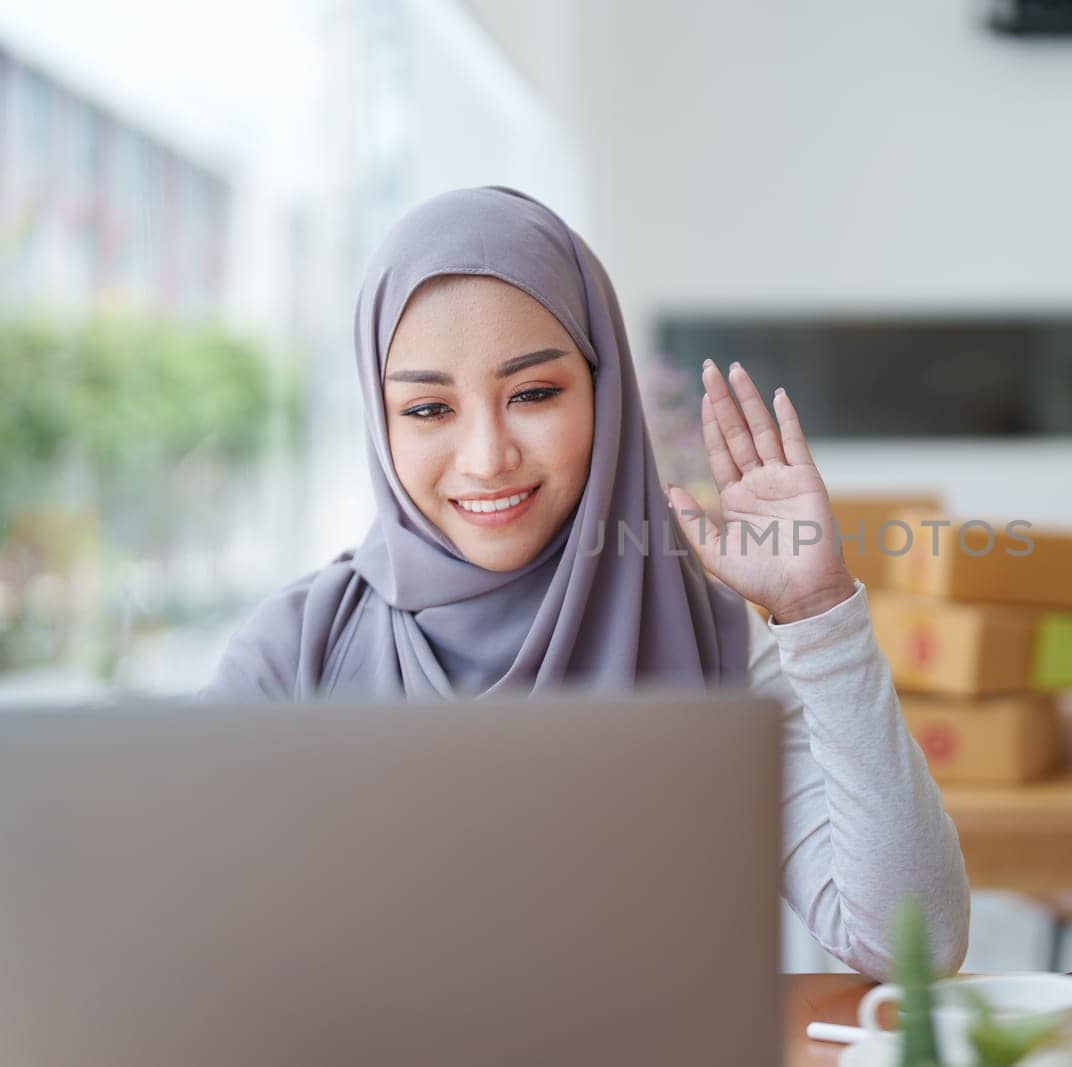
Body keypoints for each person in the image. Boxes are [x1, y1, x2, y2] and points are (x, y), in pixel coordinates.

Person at [199, 185, 968, 980]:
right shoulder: (295, 654)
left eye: (533, 393)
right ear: (380, 422)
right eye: (429, 409)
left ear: (604, 392)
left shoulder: (713, 644)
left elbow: (917, 943)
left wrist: (816, 611)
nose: (487, 455)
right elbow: (190, 942)